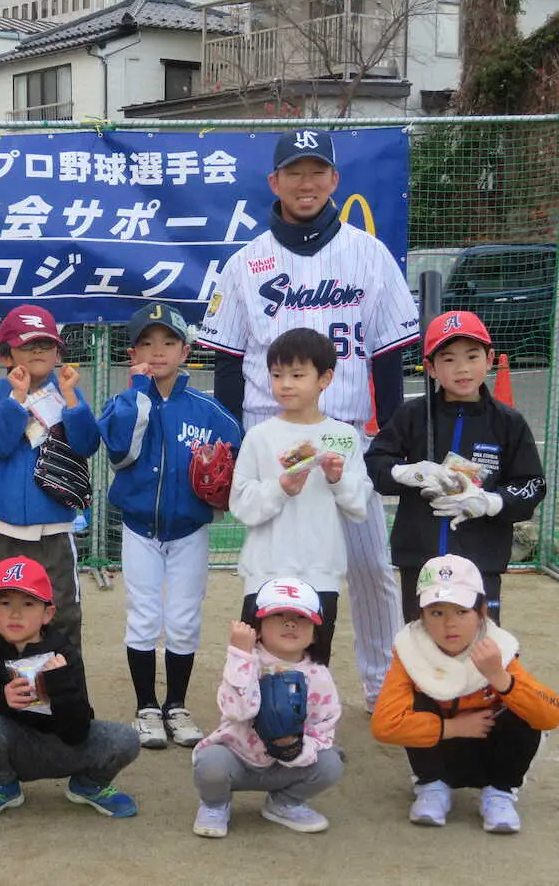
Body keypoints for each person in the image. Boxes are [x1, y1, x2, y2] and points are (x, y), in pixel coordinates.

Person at [197, 128, 420, 711]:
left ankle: (382, 684)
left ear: (334, 181)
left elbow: (390, 352)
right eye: (294, 171)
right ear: (274, 182)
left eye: (317, 171)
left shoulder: (368, 254)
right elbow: (225, 358)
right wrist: (234, 440)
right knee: (277, 569)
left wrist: (389, 439)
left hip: (347, 435)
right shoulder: (247, 262)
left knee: (371, 567)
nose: (306, 182)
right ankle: (273, 685)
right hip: (270, 438)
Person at [97, 302, 241, 749]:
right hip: (140, 528)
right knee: (143, 618)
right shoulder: (122, 403)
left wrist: (223, 491)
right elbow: (122, 452)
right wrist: (139, 393)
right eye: (146, 342)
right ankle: (146, 707)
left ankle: (175, 705)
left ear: (185, 351)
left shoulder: (209, 411)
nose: (157, 351)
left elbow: (236, 458)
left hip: (189, 530)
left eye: (168, 342)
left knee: (182, 620)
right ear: (132, 351)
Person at [365, 311, 546, 624]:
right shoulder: (413, 415)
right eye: (448, 359)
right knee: (422, 650)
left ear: (489, 359)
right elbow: (375, 464)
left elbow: (532, 484)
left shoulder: (508, 423)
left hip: (481, 562)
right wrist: (409, 472)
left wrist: (489, 502)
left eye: (472, 356)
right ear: (431, 367)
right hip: (421, 561)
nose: (462, 368)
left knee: (479, 649)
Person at [370, 554, 559, 833]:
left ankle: (500, 792)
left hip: (490, 749)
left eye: (461, 611)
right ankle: (432, 786)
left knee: (522, 708)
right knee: (418, 700)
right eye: (437, 613)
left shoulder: (498, 649)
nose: (450, 625)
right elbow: (384, 725)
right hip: (441, 751)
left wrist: (499, 677)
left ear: (481, 613)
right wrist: (452, 727)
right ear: (420, 616)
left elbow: (551, 715)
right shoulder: (410, 651)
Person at [0, 555, 140, 821]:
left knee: (126, 739)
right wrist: (1, 697)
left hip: (64, 745)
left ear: (47, 613)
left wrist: (60, 684)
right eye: (4, 603)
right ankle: (1, 784)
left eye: (28, 604)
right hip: (13, 744)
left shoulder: (63, 650)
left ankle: (89, 784)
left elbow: (78, 730)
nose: (15, 614)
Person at [229, 328, 372, 665]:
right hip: (265, 571)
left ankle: (315, 719)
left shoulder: (343, 436)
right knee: (256, 664)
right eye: (277, 375)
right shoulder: (259, 436)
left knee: (314, 665)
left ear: (325, 378)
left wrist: (337, 480)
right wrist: (281, 488)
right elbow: (241, 504)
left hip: (320, 572)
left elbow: (359, 505)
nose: (286, 384)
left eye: (297, 375)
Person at [0, 304, 100, 648]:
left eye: (46, 345)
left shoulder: (69, 391)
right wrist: (17, 398)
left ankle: (62, 692)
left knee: (62, 613)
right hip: (3, 531)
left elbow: (87, 444)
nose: (39, 352)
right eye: (28, 345)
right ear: (5, 356)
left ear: (58, 351)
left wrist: (73, 400)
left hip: (55, 531)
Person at [191, 577, 344, 838]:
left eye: (301, 618)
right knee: (210, 762)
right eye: (277, 616)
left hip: (288, 766)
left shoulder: (319, 676)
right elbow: (237, 710)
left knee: (331, 763)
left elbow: (323, 729)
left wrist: (293, 748)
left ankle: (284, 803)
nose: (290, 623)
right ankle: (215, 805)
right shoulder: (246, 661)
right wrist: (240, 654)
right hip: (238, 759)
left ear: (315, 632)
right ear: (257, 628)